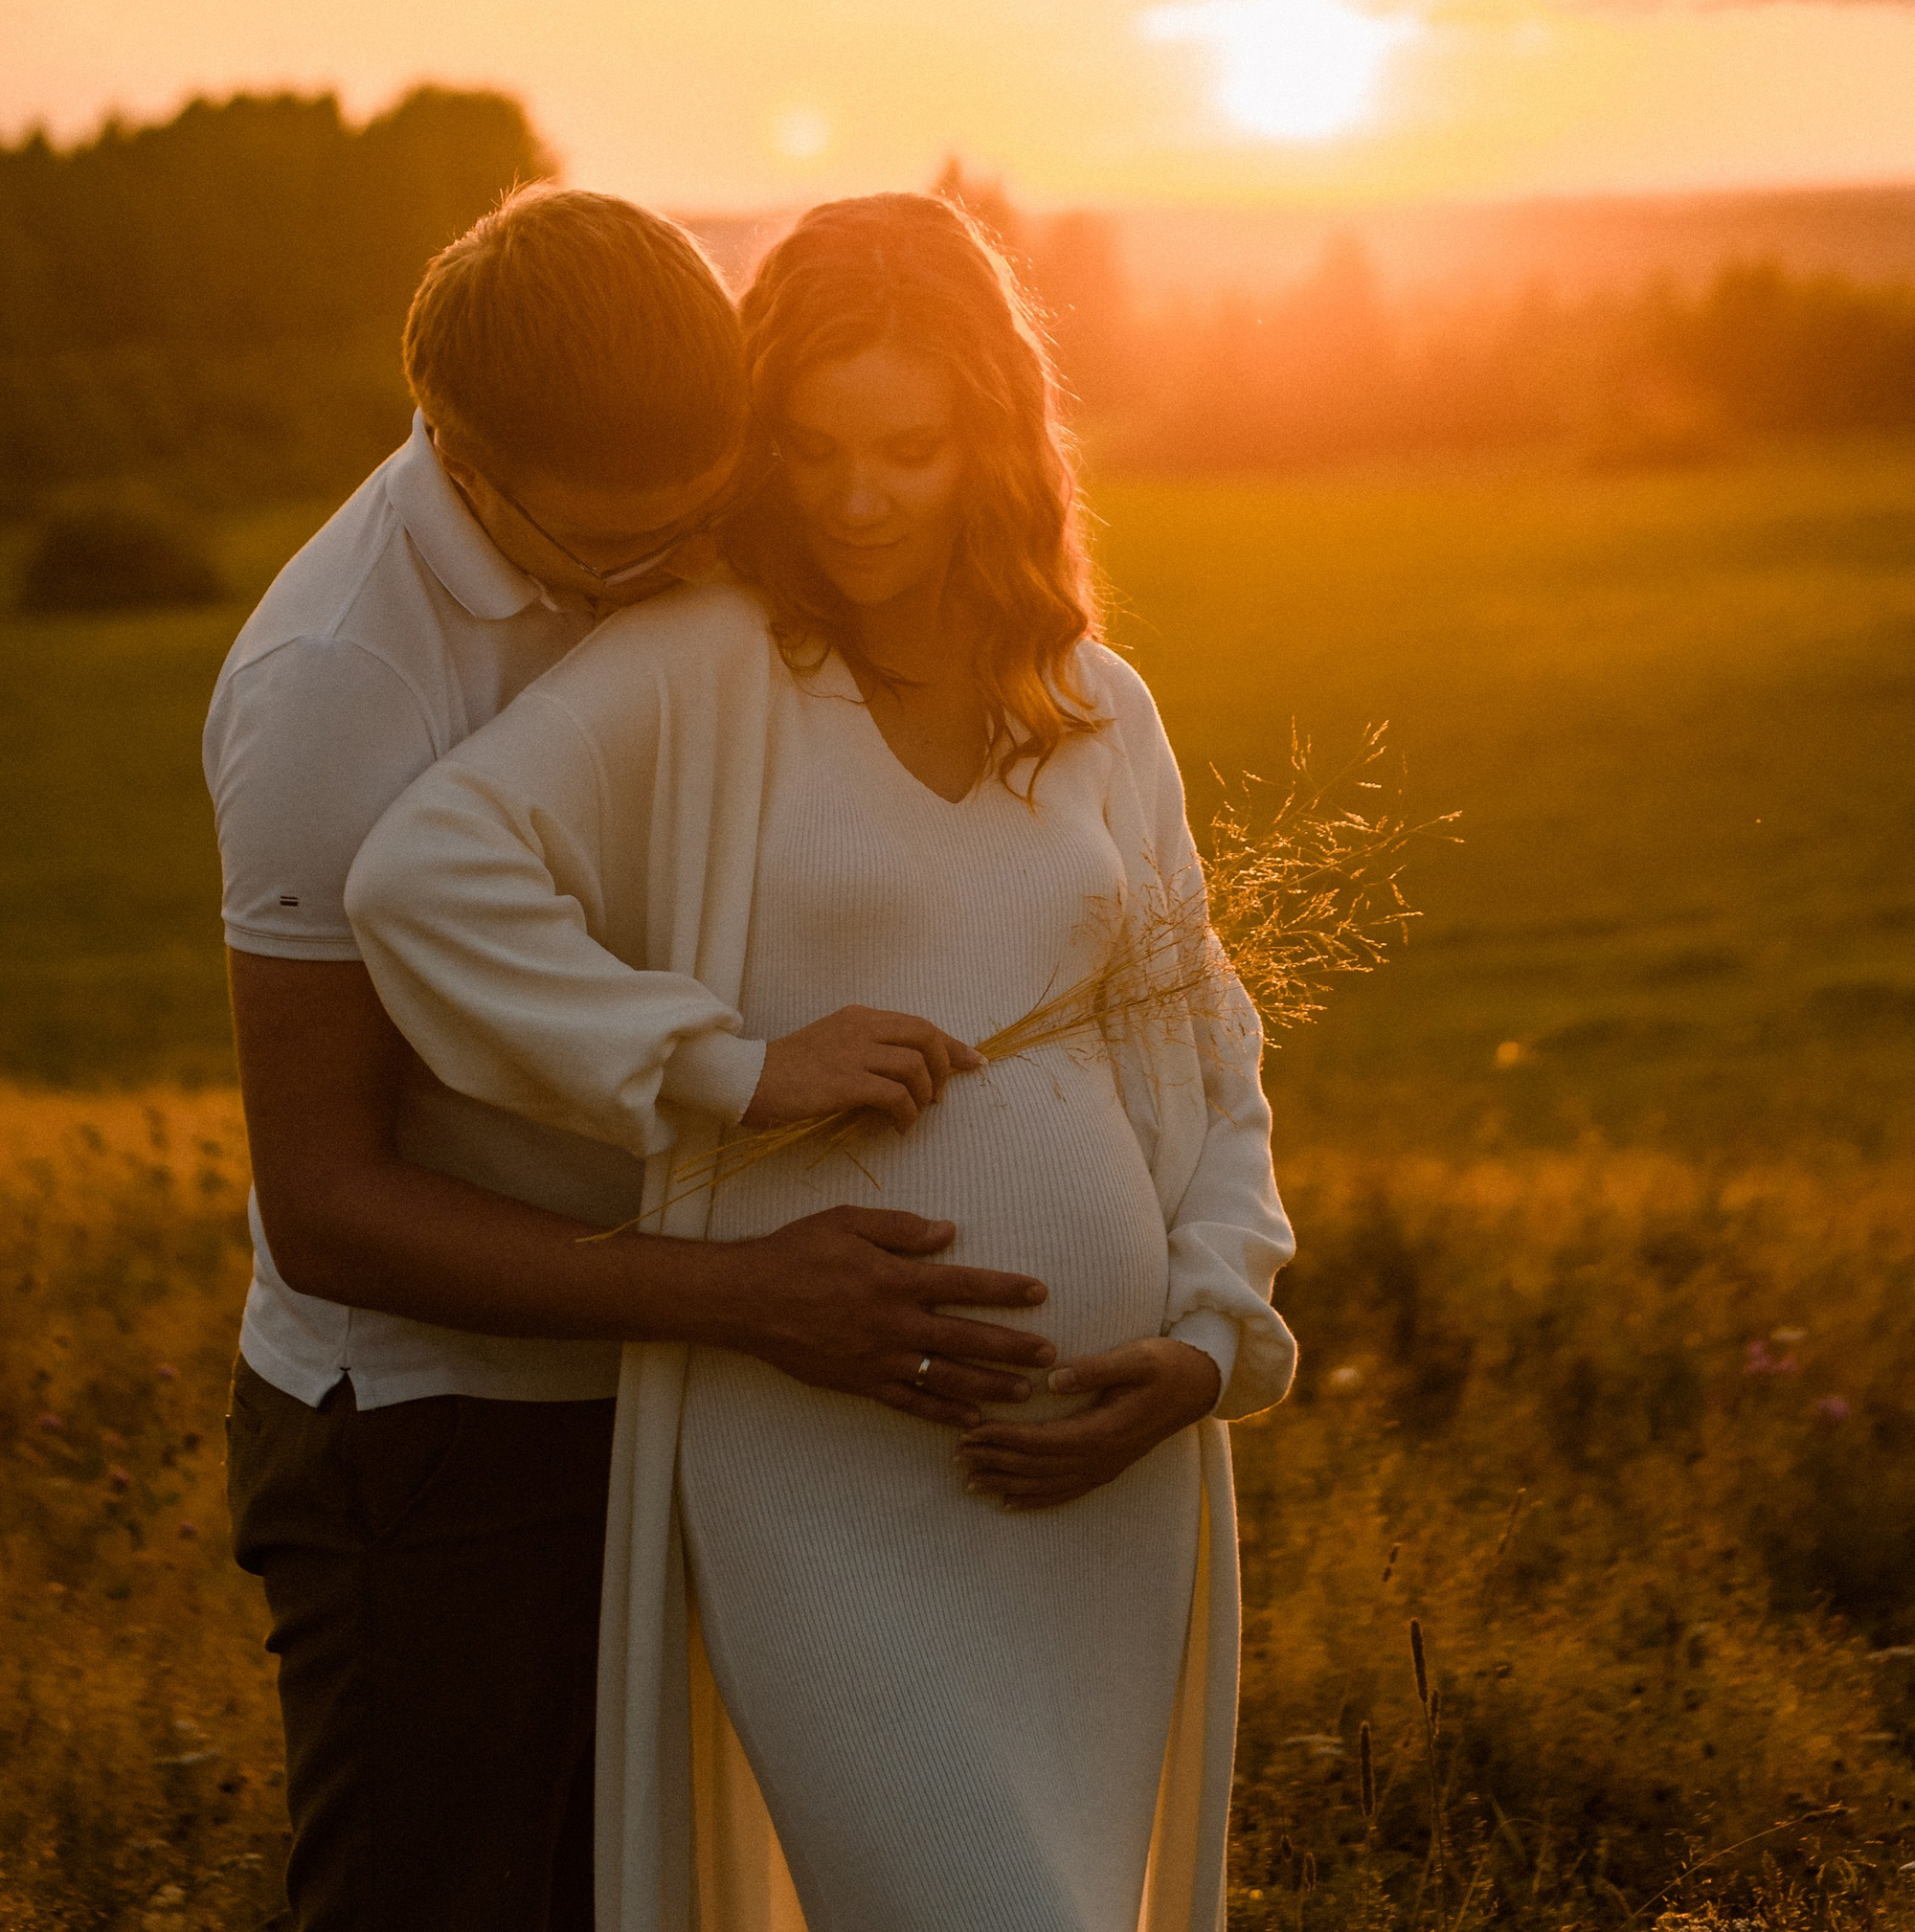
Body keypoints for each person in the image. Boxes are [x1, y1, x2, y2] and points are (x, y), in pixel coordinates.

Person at [346, 191, 1296, 1932]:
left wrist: (1210, 1342)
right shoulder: (705, 669)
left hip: (1099, 1470)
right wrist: (722, 1064)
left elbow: (1206, 1048)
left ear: (996, 443)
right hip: (823, 1459)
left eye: (914, 450)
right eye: (817, 446)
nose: (861, 500)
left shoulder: (1094, 705)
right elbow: (423, 881)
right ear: (761, 443)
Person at [204, 187, 1061, 1932]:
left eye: (697, 527)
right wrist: (742, 1289)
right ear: (459, 448)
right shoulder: (334, 683)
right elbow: (328, 1209)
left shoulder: (687, 502)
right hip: (432, 1438)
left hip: (683, 1391)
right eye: (610, 557)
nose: (666, 577)